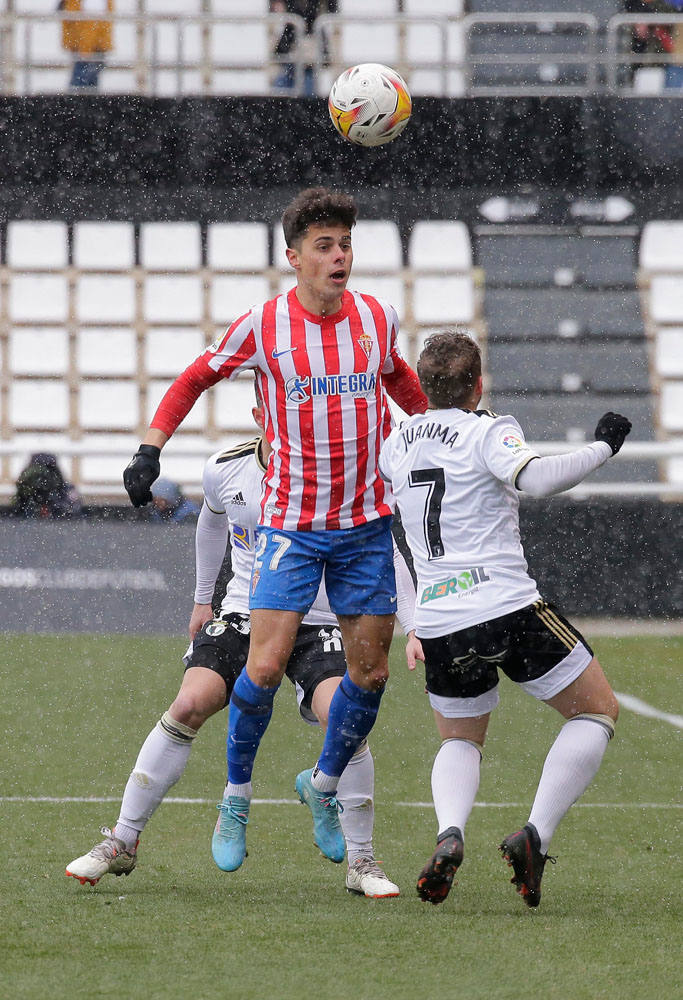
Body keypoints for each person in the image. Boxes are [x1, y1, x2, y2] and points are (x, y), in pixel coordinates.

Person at [122, 187, 427, 874]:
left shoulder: (378, 317)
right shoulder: (262, 326)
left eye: (345, 243)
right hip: (291, 526)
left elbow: (399, 379)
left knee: (369, 676)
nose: (338, 256)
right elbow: (194, 377)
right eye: (323, 245)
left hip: (364, 525)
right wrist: (150, 447)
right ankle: (235, 800)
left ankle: (319, 787)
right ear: (293, 258)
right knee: (259, 668)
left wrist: (443, 425)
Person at [67, 398, 414, 897]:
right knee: (189, 703)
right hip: (244, 612)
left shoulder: (347, 473)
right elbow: (211, 524)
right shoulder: (225, 469)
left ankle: (361, 859)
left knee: (345, 717)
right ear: (261, 412)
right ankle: (123, 840)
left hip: (317, 622)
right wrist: (202, 598)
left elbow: (380, 543)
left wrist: (414, 619)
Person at [379, 330, 631, 909]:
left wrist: (414, 620)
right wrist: (603, 447)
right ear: (479, 383)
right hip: (505, 605)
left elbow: (383, 528)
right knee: (596, 711)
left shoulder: (397, 442)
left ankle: (450, 833)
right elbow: (538, 477)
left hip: (441, 620)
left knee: (461, 739)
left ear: (422, 385)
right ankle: (534, 836)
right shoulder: (489, 429)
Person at [59, 0, 113, 89]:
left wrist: (85, 50)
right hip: (88, 47)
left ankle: (78, 100)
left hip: (87, 49)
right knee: (88, 84)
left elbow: (90, 23)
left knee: (81, 84)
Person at [11, 452, 83, 519]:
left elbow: (20, 483)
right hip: (46, 495)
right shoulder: (51, 471)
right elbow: (60, 483)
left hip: (30, 496)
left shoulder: (32, 470)